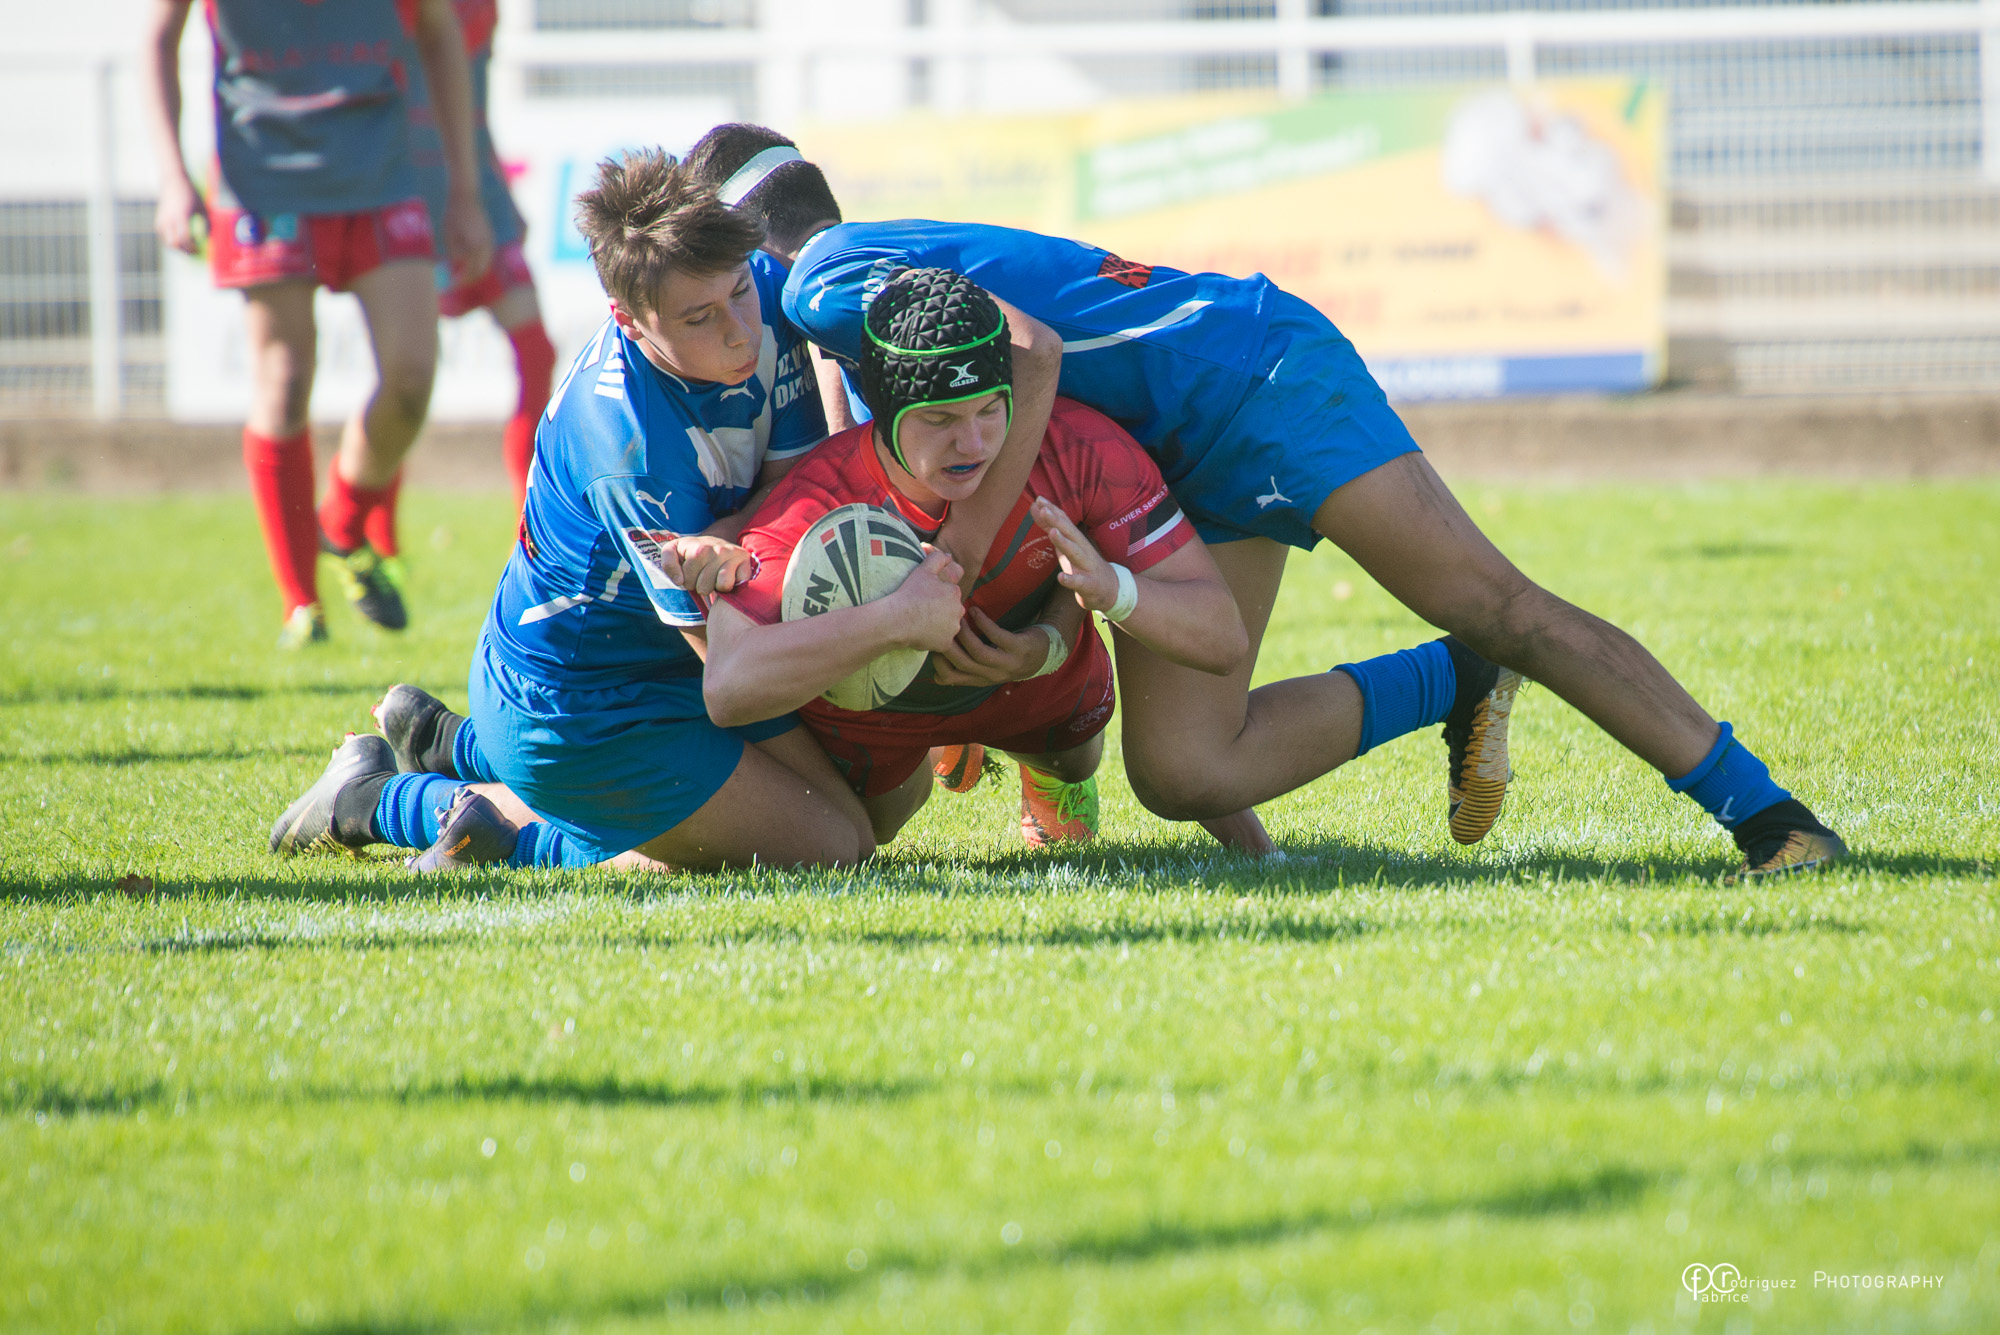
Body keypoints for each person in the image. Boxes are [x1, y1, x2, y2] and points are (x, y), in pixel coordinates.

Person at [684, 124, 1846, 880]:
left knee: (1500, 600)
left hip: (1256, 378)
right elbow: (887, 459)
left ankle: (1770, 817)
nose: (721, 305)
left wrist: (953, 566)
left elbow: (1027, 356)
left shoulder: (829, 279)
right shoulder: (844, 288)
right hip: (1182, 437)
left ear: (750, 249)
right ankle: (1452, 681)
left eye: (718, 274)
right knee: (1186, 771)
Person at [267, 149, 887, 870]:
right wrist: (891, 623)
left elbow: (797, 492)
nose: (740, 330)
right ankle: (381, 800)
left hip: (668, 654)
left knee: (879, 802)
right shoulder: (629, 442)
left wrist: (726, 536)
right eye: (699, 317)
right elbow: (735, 672)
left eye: (739, 293)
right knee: (835, 844)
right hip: (579, 702)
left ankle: (452, 744)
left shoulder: (761, 286)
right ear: (628, 319)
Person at [703, 267, 1247, 848]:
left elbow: (1223, 640)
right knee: (882, 822)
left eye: (990, 410)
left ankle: (1042, 767)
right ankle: (940, 741)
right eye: (939, 420)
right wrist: (898, 620)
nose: (975, 445)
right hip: (883, 718)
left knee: (1075, 758)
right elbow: (728, 688)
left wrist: (1109, 595)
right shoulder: (818, 502)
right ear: (883, 413)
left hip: (1033, 670)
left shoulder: (1080, 448)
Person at [141, 0, 493, 648]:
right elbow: (159, 37)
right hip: (263, 179)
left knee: (412, 378)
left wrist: (466, 188)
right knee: (285, 378)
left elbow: (443, 36)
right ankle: (302, 602)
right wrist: (172, 177)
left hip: (384, 173)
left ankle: (343, 516)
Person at [402, 0, 555, 523]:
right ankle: (361, 523)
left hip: (477, 193)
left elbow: (472, 104)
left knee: (536, 350)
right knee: (406, 373)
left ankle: (531, 525)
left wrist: (491, 191)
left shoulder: (482, 9)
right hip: (410, 187)